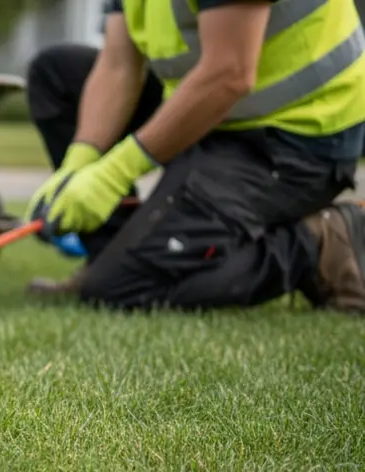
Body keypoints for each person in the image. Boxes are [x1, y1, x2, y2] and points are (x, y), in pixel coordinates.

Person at [23, 0, 365, 314]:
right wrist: (81, 161)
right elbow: (118, 64)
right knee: (57, 74)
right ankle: (112, 254)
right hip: (217, 114)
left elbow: (230, 72)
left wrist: (116, 171)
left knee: (120, 287)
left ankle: (319, 245)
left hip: (299, 133)